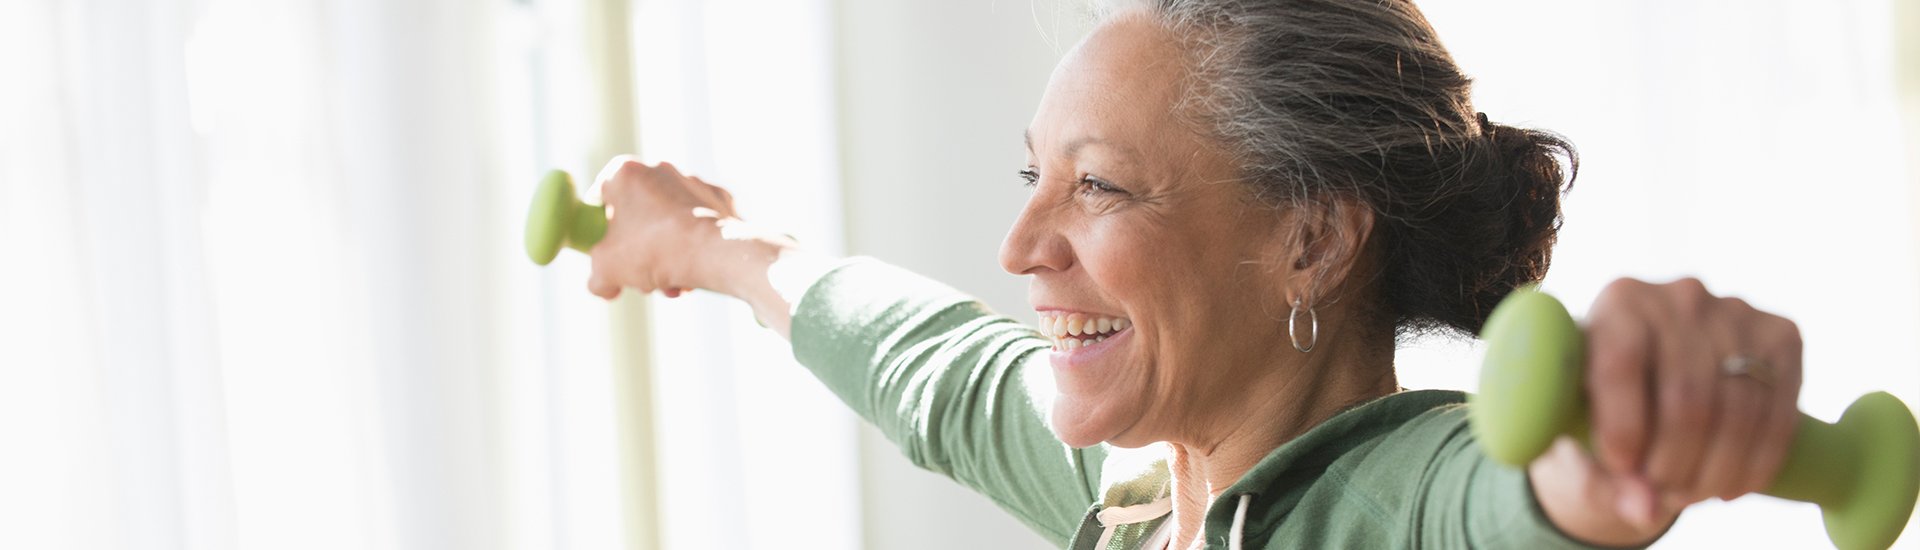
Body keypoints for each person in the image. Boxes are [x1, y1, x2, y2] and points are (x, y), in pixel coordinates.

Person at [582, 1, 1804, 548]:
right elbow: (932, 368)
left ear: (1313, 239)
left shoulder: (1399, 495)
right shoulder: (1136, 493)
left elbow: (1513, 498)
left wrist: (1628, 434)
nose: (1021, 250)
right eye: (1034, 182)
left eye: (1099, 187)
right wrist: (707, 244)